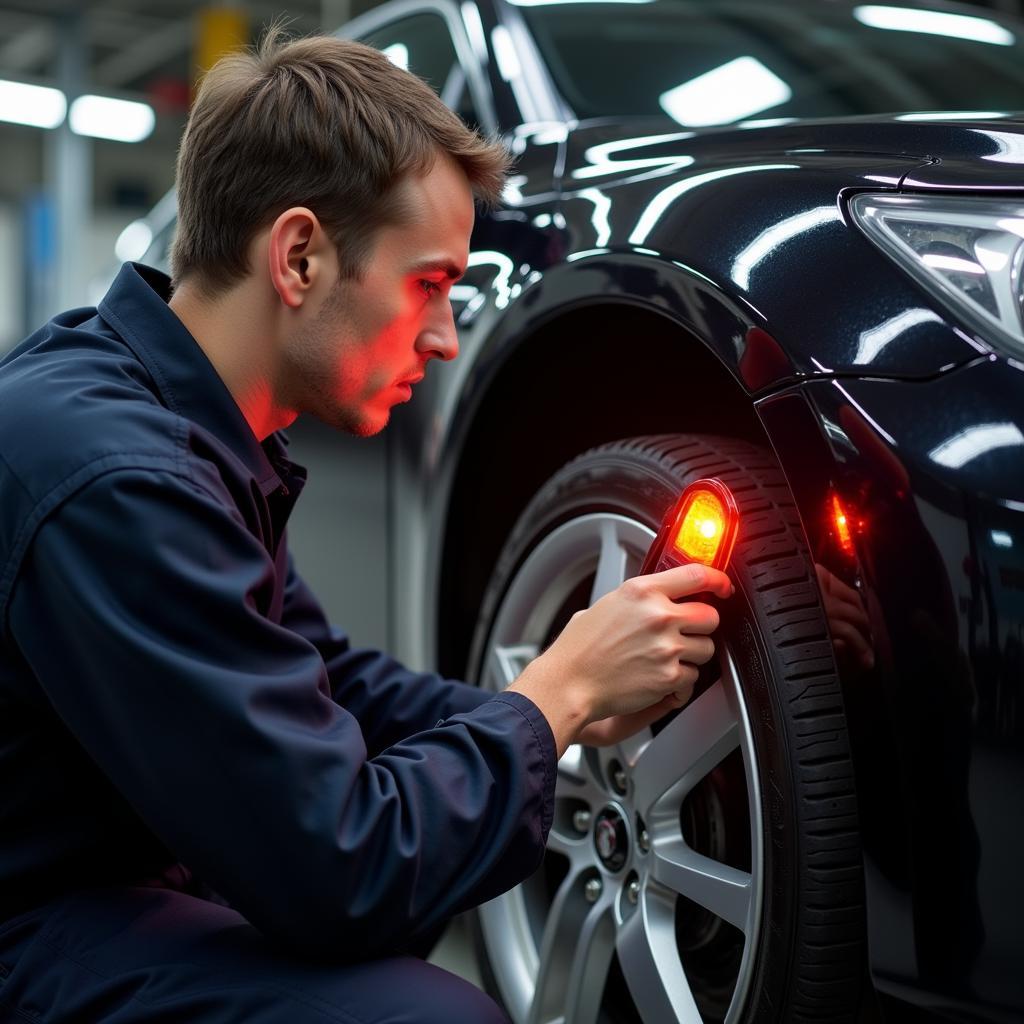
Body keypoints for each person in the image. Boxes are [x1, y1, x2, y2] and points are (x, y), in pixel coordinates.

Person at [0, 28, 731, 1024]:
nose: (444, 332)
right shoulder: (121, 478)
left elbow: (332, 682)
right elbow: (336, 863)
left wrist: (553, 698)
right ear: (299, 256)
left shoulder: (185, 420)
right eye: (429, 282)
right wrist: (550, 702)